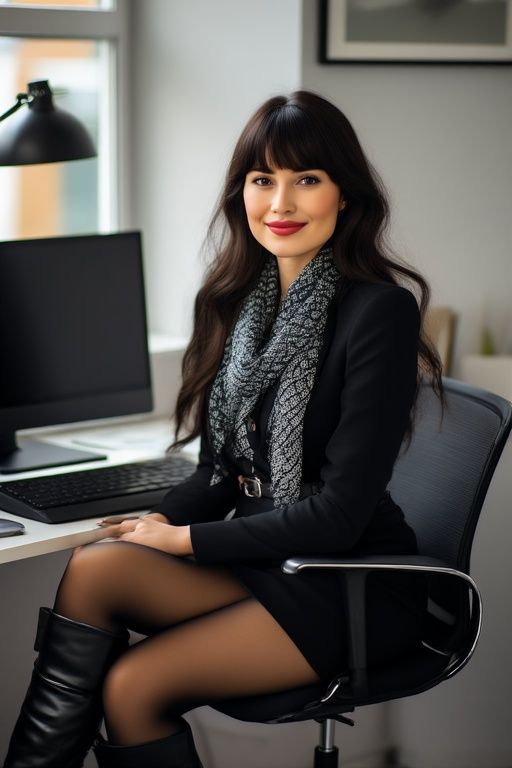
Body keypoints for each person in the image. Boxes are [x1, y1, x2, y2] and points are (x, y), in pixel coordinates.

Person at [4, 90, 443, 768]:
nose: (280, 204)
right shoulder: (240, 306)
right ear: (241, 191)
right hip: (266, 563)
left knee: (131, 686)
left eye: (307, 180)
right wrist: (153, 521)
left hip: (347, 582)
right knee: (98, 567)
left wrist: (180, 541)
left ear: (345, 196)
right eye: (263, 179)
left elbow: (338, 515)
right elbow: (216, 473)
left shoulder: (377, 313)